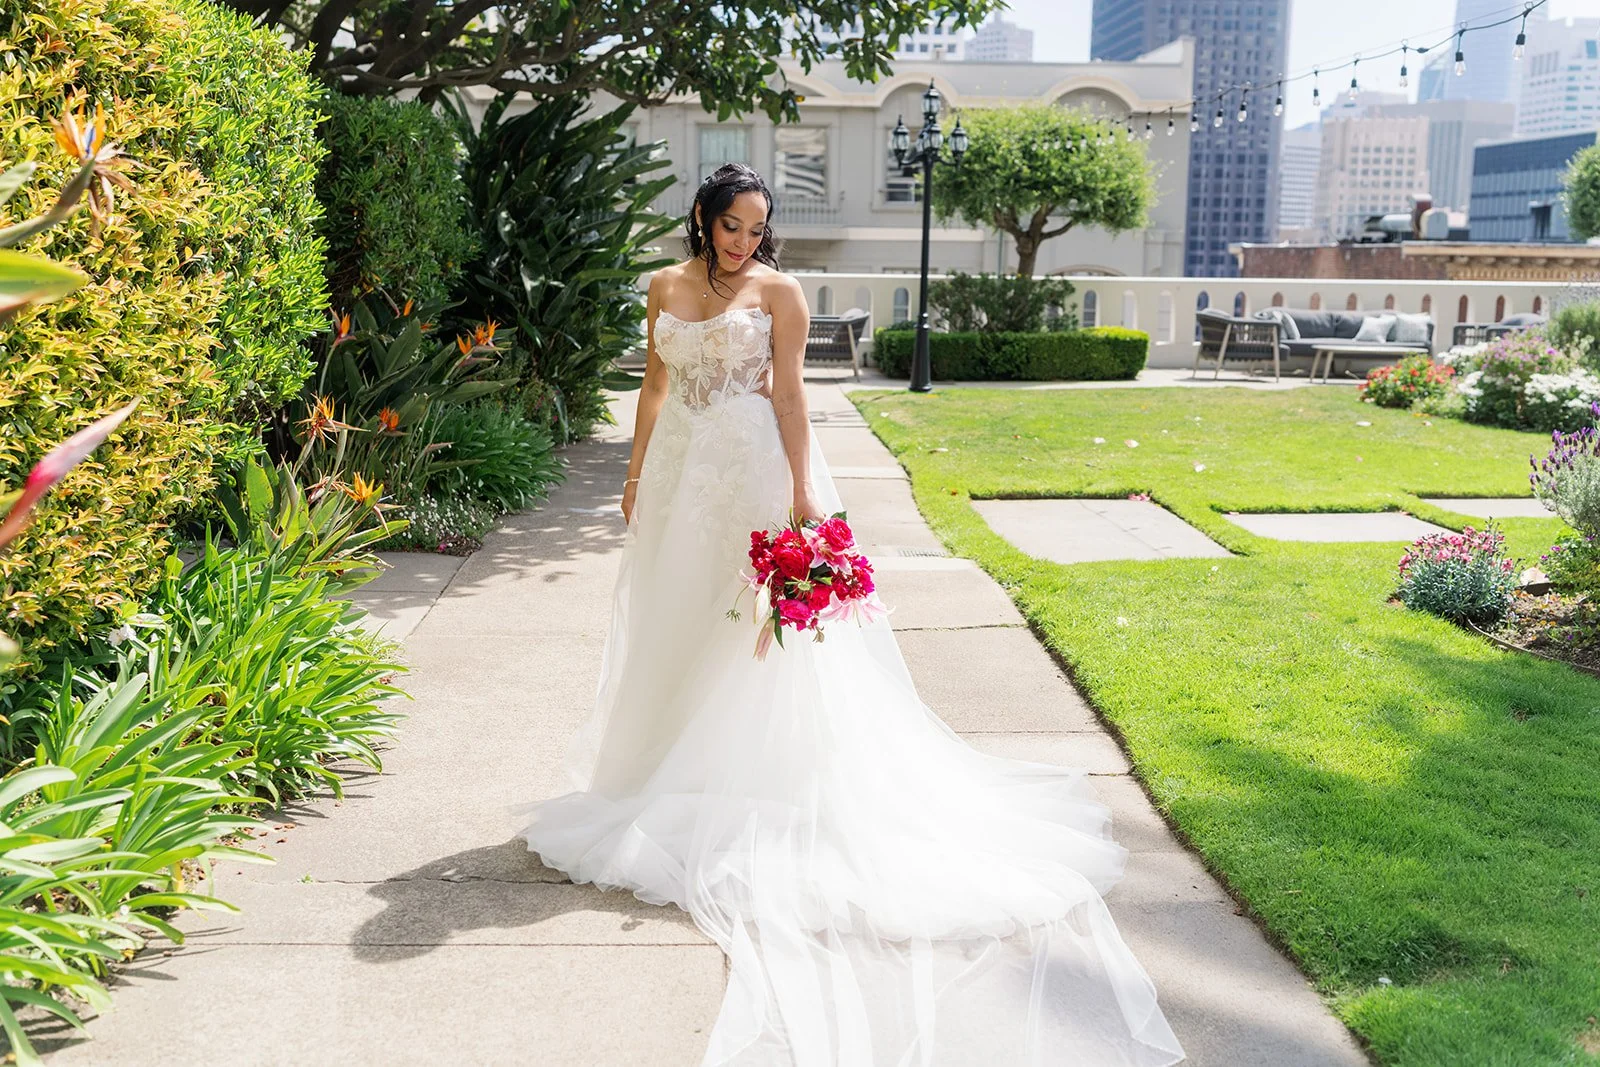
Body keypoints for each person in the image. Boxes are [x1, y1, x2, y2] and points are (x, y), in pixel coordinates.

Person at [512, 163, 1184, 1066]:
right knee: (674, 618)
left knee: (747, 632)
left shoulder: (781, 292)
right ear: (705, 220)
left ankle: (746, 784)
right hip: (677, 476)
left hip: (751, 472)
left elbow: (791, 395)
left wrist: (799, 497)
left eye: (757, 228)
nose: (746, 242)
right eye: (733, 226)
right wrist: (634, 474)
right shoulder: (664, 286)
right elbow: (652, 388)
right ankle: (652, 773)